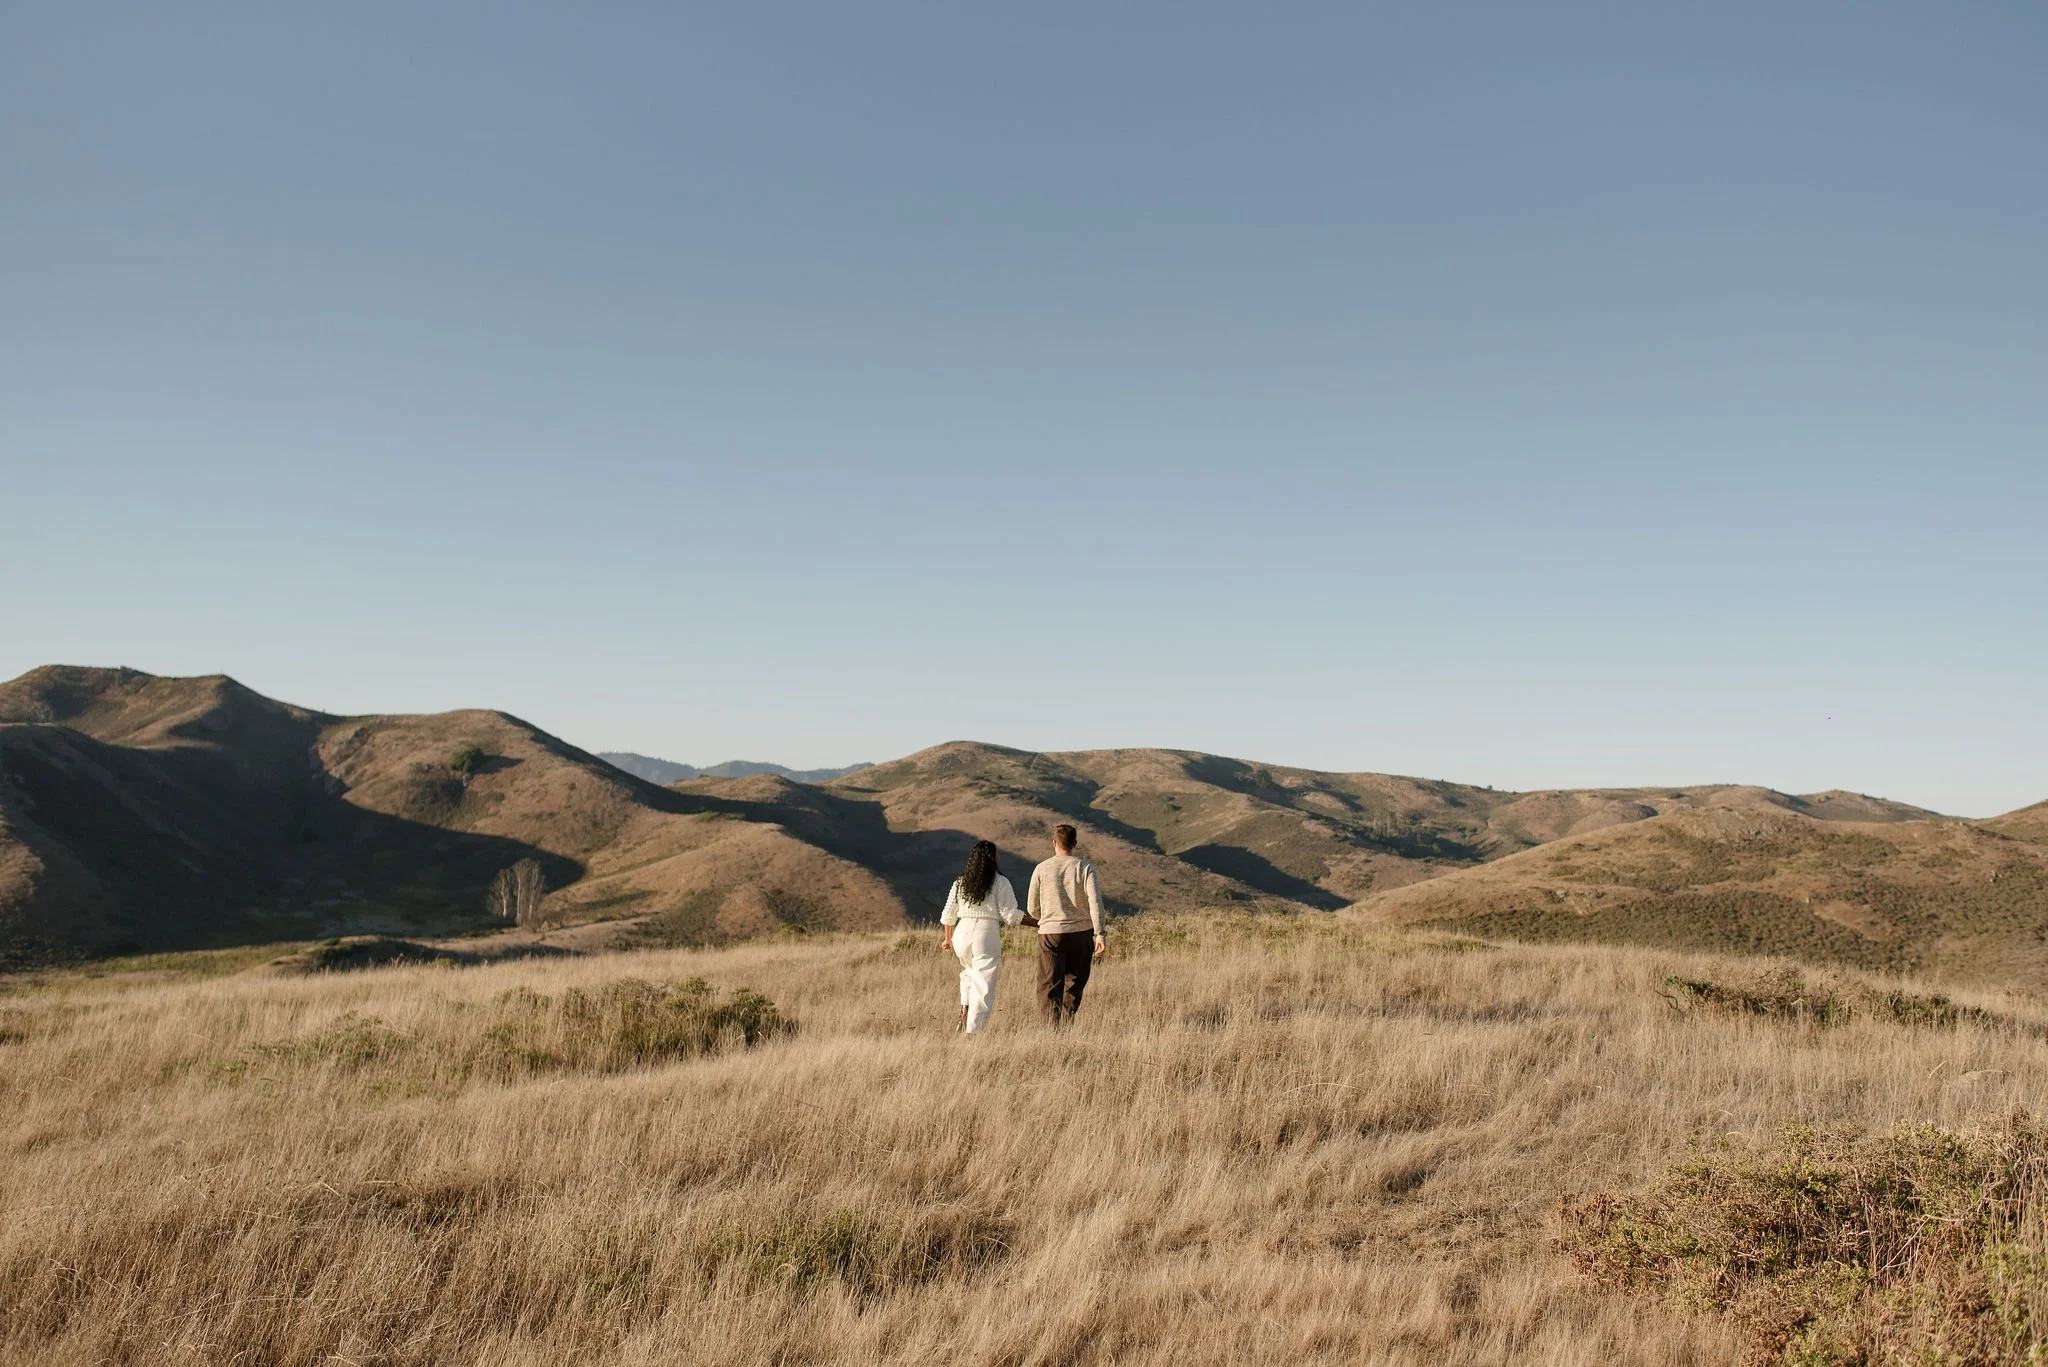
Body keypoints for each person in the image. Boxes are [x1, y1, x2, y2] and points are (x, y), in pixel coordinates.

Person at [936, 839, 1025, 1034]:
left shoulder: (961, 882)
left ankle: (964, 1010)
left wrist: (947, 939)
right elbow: (1010, 915)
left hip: (961, 932)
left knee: (969, 971)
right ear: (994, 858)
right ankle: (973, 1032)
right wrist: (1037, 921)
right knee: (984, 985)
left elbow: (948, 914)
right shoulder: (1000, 881)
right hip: (986, 933)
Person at [1026, 824, 1106, 1026]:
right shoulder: (1085, 868)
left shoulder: (1041, 869)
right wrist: (1100, 934)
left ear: (1054, 843)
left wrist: (1045, 917)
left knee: (1048, 983)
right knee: (1074, 982)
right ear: (1075, 844)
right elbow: (1095, 903)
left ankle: (1051, 1029)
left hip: (1050, 932)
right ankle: (1067, 1021)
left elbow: (1031, 907)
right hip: (1081, 932)